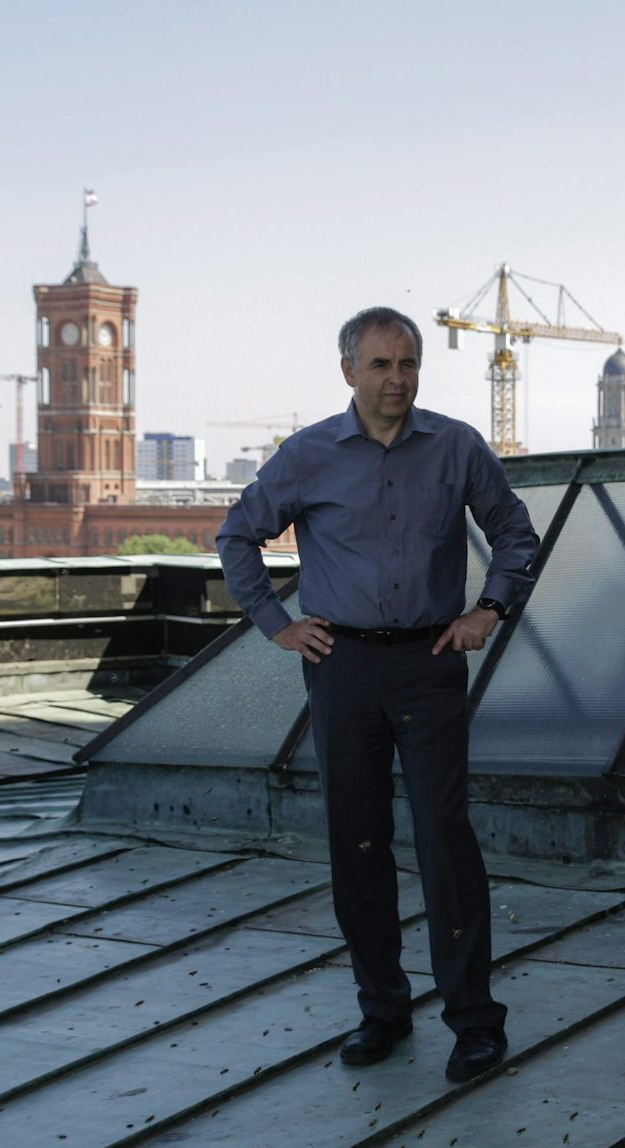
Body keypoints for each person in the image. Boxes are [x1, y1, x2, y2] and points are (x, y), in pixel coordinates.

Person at [219, 306, 538, 1081]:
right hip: (343, 667)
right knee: (356, 842)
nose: (397, 379)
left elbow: (516, 534)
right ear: (348, 371)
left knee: (444, 840)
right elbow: (236, 536)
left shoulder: (458, 446)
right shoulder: (307, 455)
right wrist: (277, 624)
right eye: (381, 365)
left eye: (408, 364)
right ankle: (382, 1011)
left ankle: (474, 1021)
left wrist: (488, 610)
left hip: (431, 662)